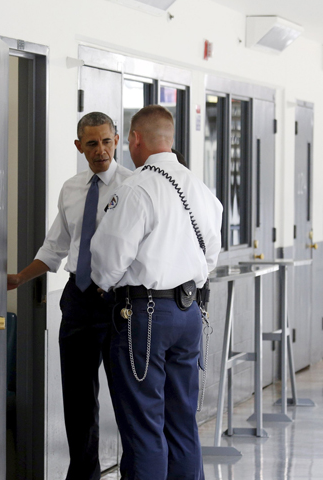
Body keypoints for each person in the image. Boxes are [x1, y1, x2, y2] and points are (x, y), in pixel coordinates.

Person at [90, 105, 223, 480]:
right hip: (189, 313)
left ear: (134, 139)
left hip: (143, 318)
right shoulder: (199, 188)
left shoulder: (135, 187)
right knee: (182, 423)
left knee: (144, 427)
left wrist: (105, 281)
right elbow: (211, 254)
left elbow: (107, 260)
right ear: (170, 138)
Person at [7, 112, 132, 480]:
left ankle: (136, 471)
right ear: (79, 146)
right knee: (78, 402)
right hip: (78, 301)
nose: (101, 150)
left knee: (129, 397)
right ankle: (83, 476)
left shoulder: (133, 186)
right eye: (92, 144)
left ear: (118, 139)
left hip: (119, 302)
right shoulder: (72, 188)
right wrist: (19, 278)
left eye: (107, 141)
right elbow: (55, 247)